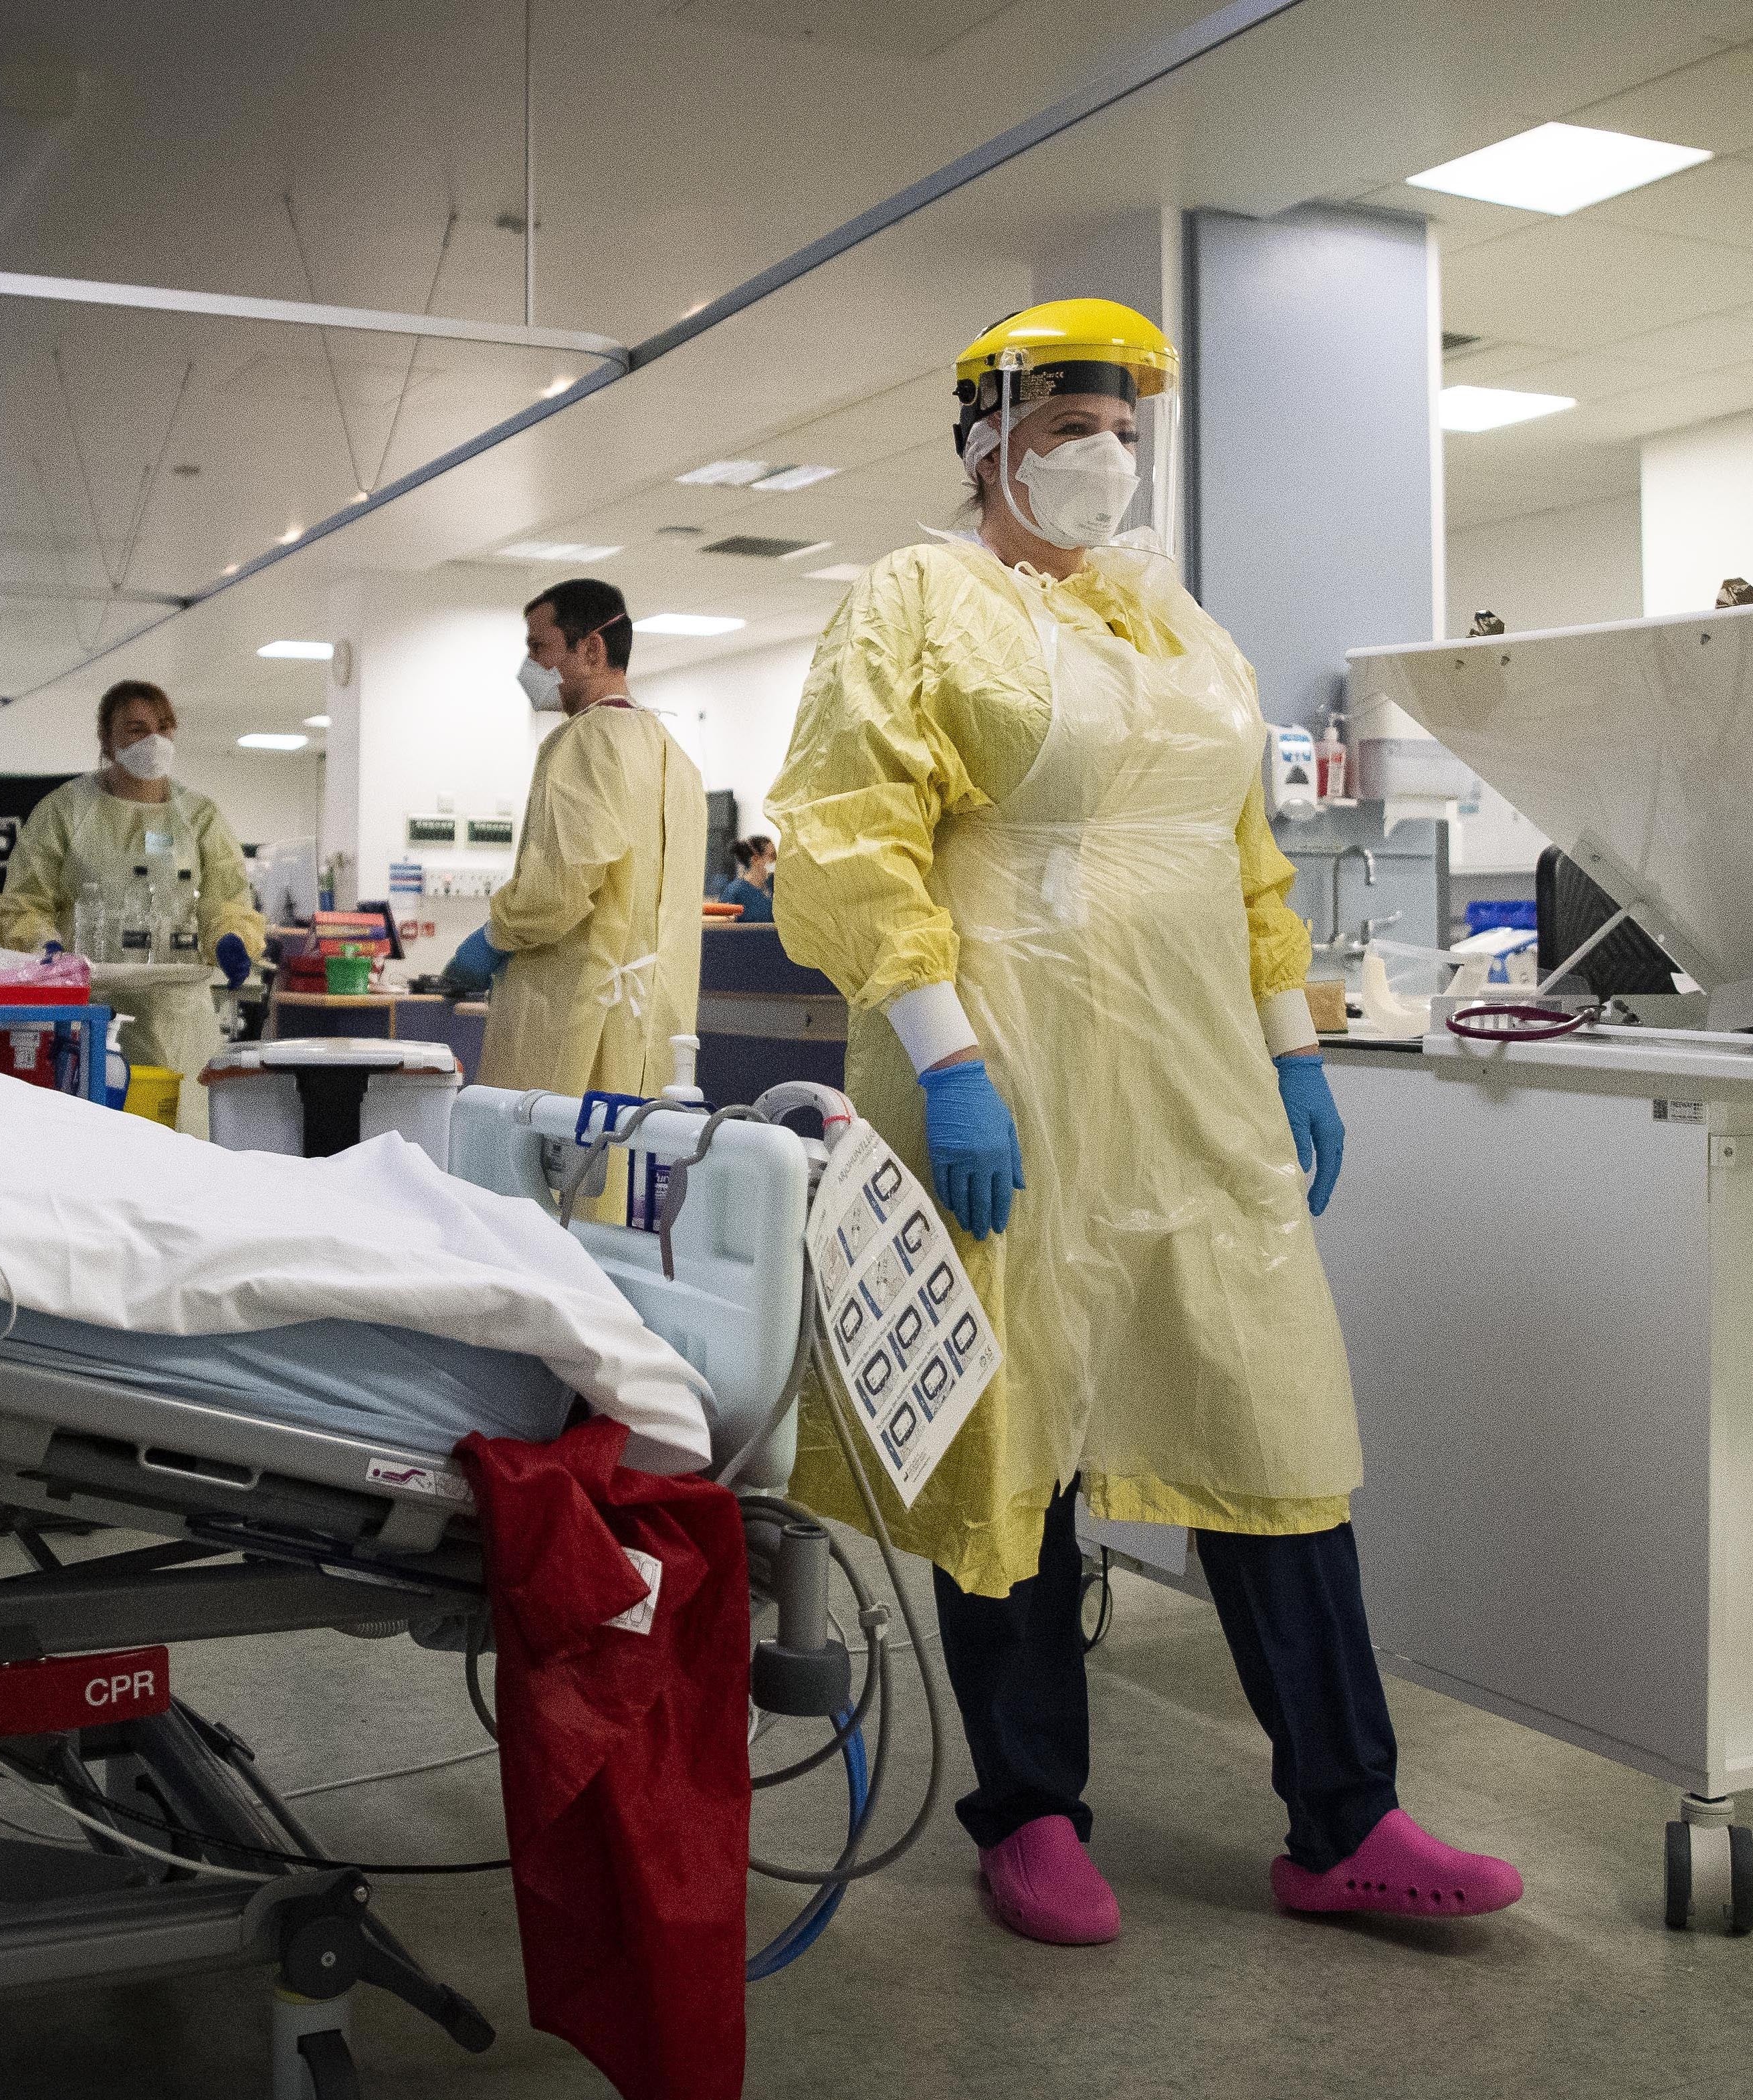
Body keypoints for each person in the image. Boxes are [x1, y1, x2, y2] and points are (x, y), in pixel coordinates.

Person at [766, 298, 1520, 1945]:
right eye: (1064, 428)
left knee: (1272, 1419)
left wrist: (1288, 1039)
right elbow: (844, 834)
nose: (1100, 457)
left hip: (1191, 1078)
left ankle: (1346, 1813)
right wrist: (941, 1053)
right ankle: (1027, 1810)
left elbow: (1243, 857)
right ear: (987, 438)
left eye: (1119, 428)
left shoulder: (1178, 633)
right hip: (1002, 1058)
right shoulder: (912, 601)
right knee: (1015, 1428)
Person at [447, 577, 706, 1098]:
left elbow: (557, 891)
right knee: (628, 1168)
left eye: (540, 648)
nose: (532, 669)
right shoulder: (674, 757)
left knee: (550, 1170)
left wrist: (495, 937)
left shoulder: (581, 743)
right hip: (653, 1026)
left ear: (591, 649)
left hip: (574, 1018)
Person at [0, 679, 264, 1134]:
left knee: (181, 1136)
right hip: (91, 1008)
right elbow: (23, 901)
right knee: (88, 1132)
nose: (153, 739)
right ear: (106, 737)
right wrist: (45, 945)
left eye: (163, 727)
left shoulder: (199, 817)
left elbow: (227, 899)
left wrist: (232, 940)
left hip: (174, 1011)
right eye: (136, 728)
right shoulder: (65, 811)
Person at [716, 836, 775, 922]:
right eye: (772, 856)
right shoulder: (735, 891)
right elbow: (720, 928)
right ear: (755, 860)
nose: (776, 861)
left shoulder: (772, 885)